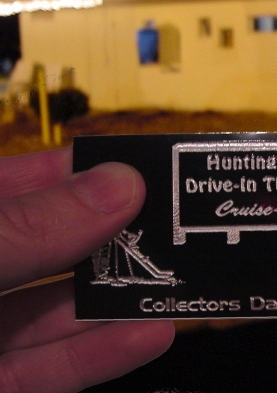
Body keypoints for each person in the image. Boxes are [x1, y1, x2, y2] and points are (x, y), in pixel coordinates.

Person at [0, 146, 174, 393]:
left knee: (117, 249)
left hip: (112, 235)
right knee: (105, 253)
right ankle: (110, 275)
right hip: (101, 237)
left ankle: (127, 274)